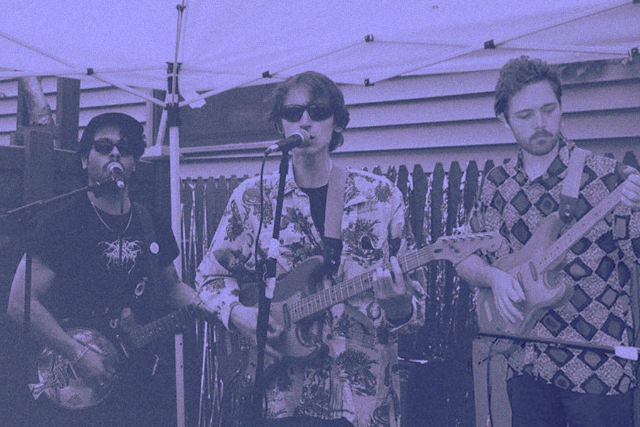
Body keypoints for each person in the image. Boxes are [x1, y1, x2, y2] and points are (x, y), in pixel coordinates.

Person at [195, 71, 426, 427]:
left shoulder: (382, 197)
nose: (305, 121)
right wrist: (239, 314)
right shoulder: (252, 198)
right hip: (282, 395)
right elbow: (210, 279)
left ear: (337, 122)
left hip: (360, 399)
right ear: (281, 125)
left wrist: (400, 309)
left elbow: (417, 305)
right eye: (293, 113)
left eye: (318, 111)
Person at [455, 56, 640, 426]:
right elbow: (463, 256)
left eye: (548, 109)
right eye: (525, 115)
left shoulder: (609, 178)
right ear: (504, 120)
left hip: (598, 370)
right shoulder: (496, 185)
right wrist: (495, 278)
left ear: (561, 107)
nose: (539, 124)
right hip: (527, 364)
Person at [6, 113, 210, 426]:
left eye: (124, 148)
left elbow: (171, 286)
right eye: (103, 146)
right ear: (84, 160)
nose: (115, 153)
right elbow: (19, 304)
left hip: (138, 387)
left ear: (133, 163)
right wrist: (76, 354)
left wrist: (217, 308)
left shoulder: (150, 222)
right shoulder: (61, 223)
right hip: (76, 386)